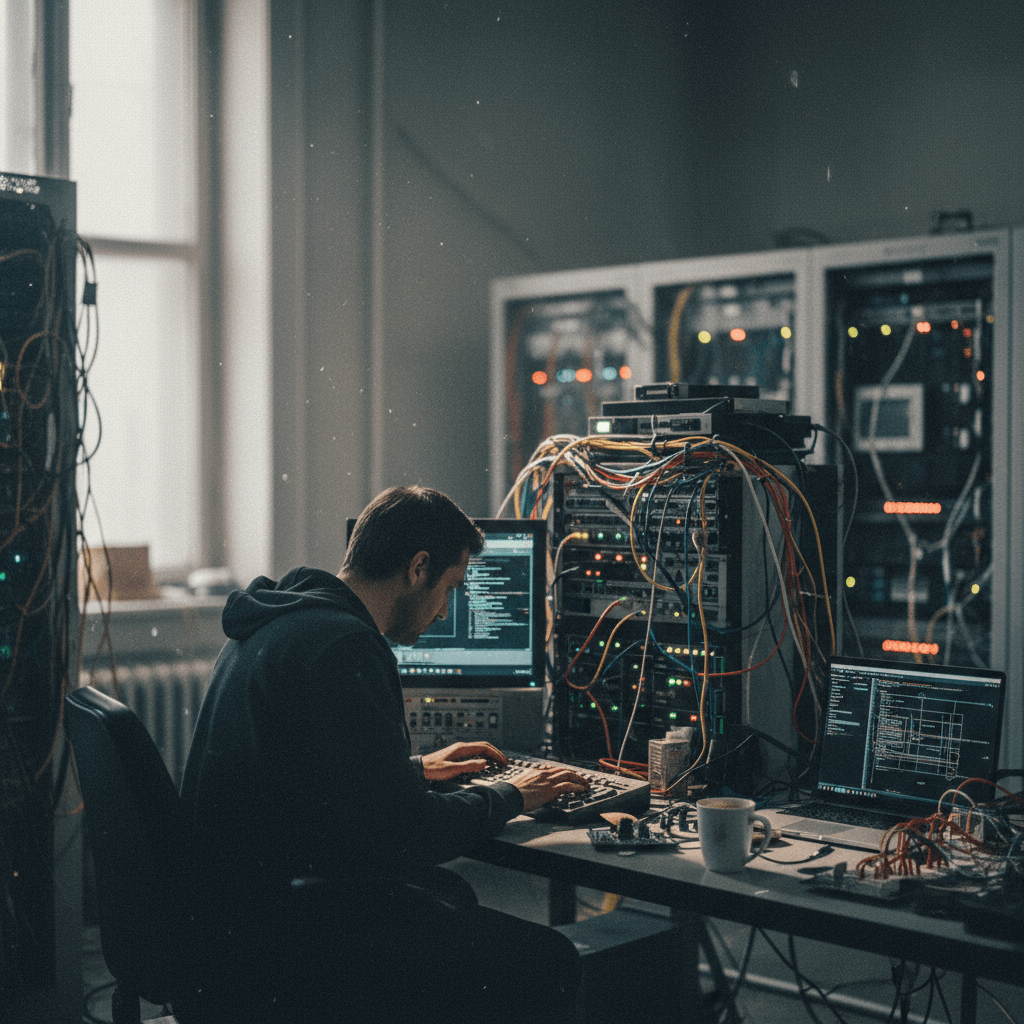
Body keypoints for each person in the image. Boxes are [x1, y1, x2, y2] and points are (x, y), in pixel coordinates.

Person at [178, 485, 589, 1023]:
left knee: (449, 899)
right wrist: (510, 794)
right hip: (279, 947)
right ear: (418, 568)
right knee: (548, 960)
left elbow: (307, 783)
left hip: (229, 932)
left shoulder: (279, 622)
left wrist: (414, 769)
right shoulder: (345, 646)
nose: (445, 610)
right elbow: (403, 834)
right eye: (449, 587)